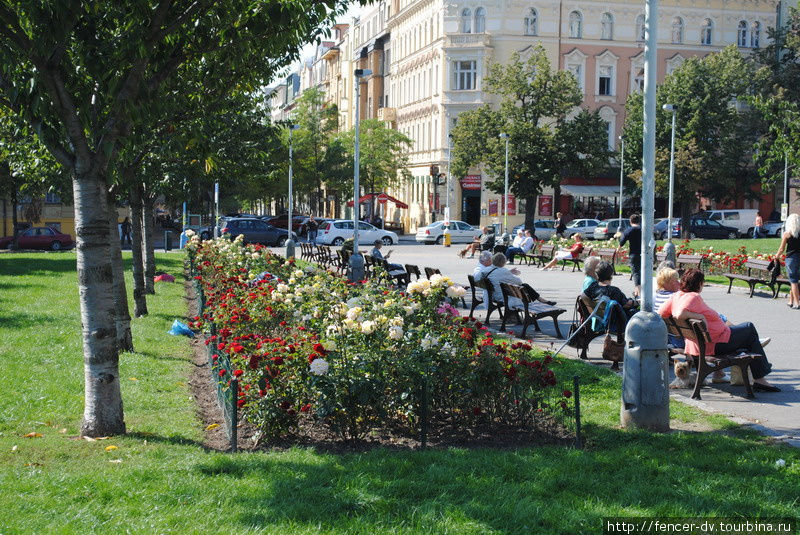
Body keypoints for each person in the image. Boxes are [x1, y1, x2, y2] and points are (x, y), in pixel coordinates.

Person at [658, 269, 779, 391]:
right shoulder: (693, 297)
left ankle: (757, 373)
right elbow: (679, 314)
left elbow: (661, 313)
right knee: (749, 328)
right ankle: (760, 378)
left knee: (749, 338)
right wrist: (699, 317)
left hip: (700, 344)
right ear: (699, 283)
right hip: (715, 343)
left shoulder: (677, 296)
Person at [776, 212, 800, 309]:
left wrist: (776, 256)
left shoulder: (787, 234)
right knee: (794, 280)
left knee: (793, 281)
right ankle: (791, 300)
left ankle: (797, 303)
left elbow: (781, 249)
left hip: (791, 258)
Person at [619, 213, 642, 297]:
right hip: (644, 254)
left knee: (635, 272)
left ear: (630, 221)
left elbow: (622, 240)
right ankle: (636, 292)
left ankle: (639, 292)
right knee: (641, 272)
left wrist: (619, 247)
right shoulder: (643, 229)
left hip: (634, 254)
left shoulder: (629, 230)